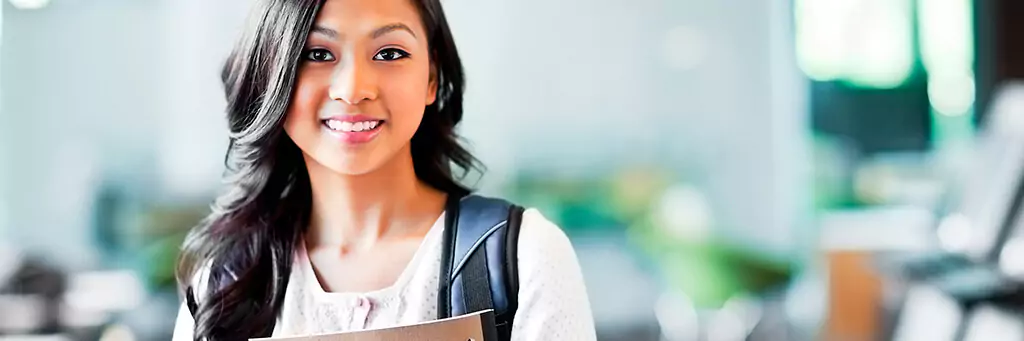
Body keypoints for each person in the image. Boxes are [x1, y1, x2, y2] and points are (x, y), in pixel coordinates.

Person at [170, 0, 596, 340]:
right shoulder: (226, 282)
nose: (354, 89)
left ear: (432, 78)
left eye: (389, 53)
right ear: (272, 75)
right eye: (318, 54)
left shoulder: (524, 257)